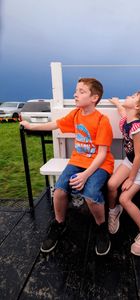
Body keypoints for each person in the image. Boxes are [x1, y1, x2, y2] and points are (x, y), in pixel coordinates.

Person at [20, 78, 114, 256]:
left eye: (81, 91)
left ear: (94, 98)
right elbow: (56, 124)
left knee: (91, 195)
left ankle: (101, 228)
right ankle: (59, 224)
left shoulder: (102, 120)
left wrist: (85, 175)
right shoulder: (76, 113)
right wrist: (31, 126)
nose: (75, 94)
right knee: (60, 191)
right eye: (76, 90)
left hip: (99, 164)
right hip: (77, 161)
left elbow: (102, 154)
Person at [107, 92, 140, 256]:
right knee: (111, 185)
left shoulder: (138, 128)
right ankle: (113, 211)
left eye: (132, 96)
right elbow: (123, 112)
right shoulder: (127, 120)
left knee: (124, 198)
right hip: (131, 162)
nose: (128, 96)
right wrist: (117, 103)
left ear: (137, 107)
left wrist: (131, 179)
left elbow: (139, 156)